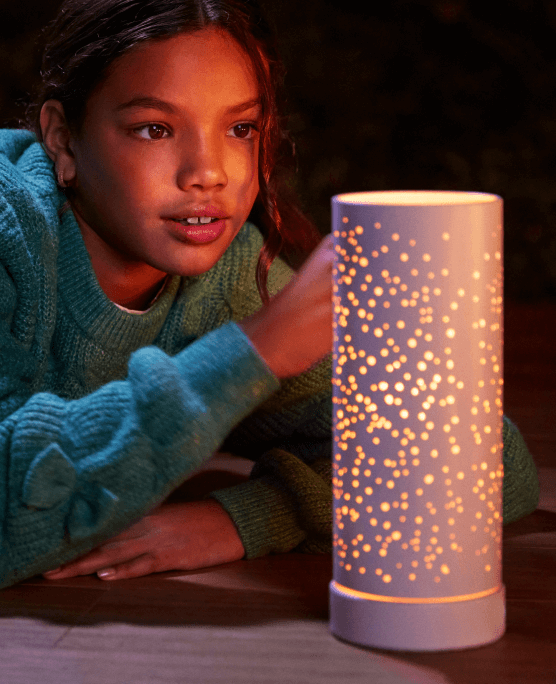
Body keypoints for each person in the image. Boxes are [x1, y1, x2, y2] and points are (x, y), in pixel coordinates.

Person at [0, 0, 538, 589]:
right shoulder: (12, 231)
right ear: (62, 139)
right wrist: (251, 353)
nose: (209, 172)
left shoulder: (229, 281)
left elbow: (489, 458)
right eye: (154, 128)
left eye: (240, 129)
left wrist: (244, 519)